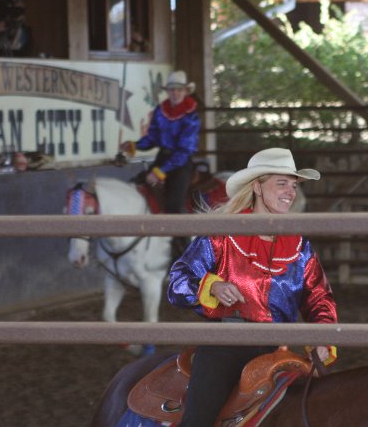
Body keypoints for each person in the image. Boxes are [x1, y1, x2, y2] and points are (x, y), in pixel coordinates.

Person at [166, 147, 337, 426]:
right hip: (225, 345)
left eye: (293, 185)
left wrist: (322, 336)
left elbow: (319, 298)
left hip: (278, 351)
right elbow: (177, 282)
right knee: (199, 420)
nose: (290, 192)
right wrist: (213, 287)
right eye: (281, 183)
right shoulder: (222, 236)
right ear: (257, 187)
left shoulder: (300, 247)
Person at [120, 70, 201, 252]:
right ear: (168, 91)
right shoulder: (160, 110)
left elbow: (185, 150)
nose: (175, 93)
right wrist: (135, 145)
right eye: (172, 89)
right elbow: (152, 138)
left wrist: (159, 172)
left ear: (185, 91)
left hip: (181, 163)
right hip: (163, 157)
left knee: (174, 204)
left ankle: (183, 251)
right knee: (137, 186)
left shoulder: (191, 116)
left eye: (179, 90)